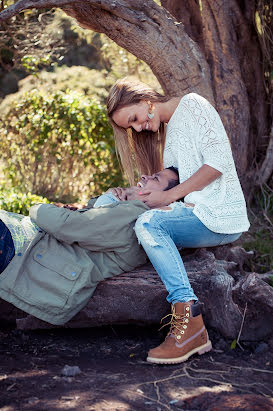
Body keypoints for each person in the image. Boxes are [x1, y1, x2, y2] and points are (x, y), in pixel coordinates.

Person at [107, 78, 250, 365]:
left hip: (218, 214)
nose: (137, 128)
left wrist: (168, 196)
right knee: (123, 210)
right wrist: (134, 192)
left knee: (148, 224)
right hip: (194, 213)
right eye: (130, 127)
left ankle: (190, 322)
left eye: (134, 119)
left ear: (146, 100)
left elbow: (216, 164)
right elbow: (175, 178)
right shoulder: (170, 132)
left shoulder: (193, 105)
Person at [0, 168, 178, 325]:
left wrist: (38, 207)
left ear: (163, 198)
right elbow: (92, 221)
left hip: (22, 253)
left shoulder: (135, 215)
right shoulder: (130, 213)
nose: (145, 176)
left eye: (155, 179)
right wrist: (108, 197)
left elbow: (66, 225)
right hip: (23, 247)